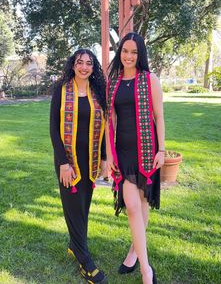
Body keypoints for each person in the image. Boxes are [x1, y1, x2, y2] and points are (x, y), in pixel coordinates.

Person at [106, 32, 165, 284]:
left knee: (141, 204)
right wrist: (110, 156)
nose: (128, 56)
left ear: (140, 55)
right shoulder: (113, 82)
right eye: (125, 51)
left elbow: (159, 116)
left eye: (134, 52)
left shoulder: (150, 79)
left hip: (148, 149)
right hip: (124, 152)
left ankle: (134, 253)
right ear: (120, 53)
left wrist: (162, 149)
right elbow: (111, 121)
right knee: (131, 206)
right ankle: (146, 269)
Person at [50, 49, 107, 284]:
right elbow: (54, 128)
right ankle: (85, 262)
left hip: (90, 160)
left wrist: (103, 158)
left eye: (89, 63)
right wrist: (63, 163)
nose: (84, 67)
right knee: (73, 207)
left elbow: (103, 128)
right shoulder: (61, 90)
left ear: (93, 68)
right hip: (68, 161)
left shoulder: (97, 92)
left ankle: (75, 246)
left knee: (82, 207)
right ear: (72, 65)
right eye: (79, 62)